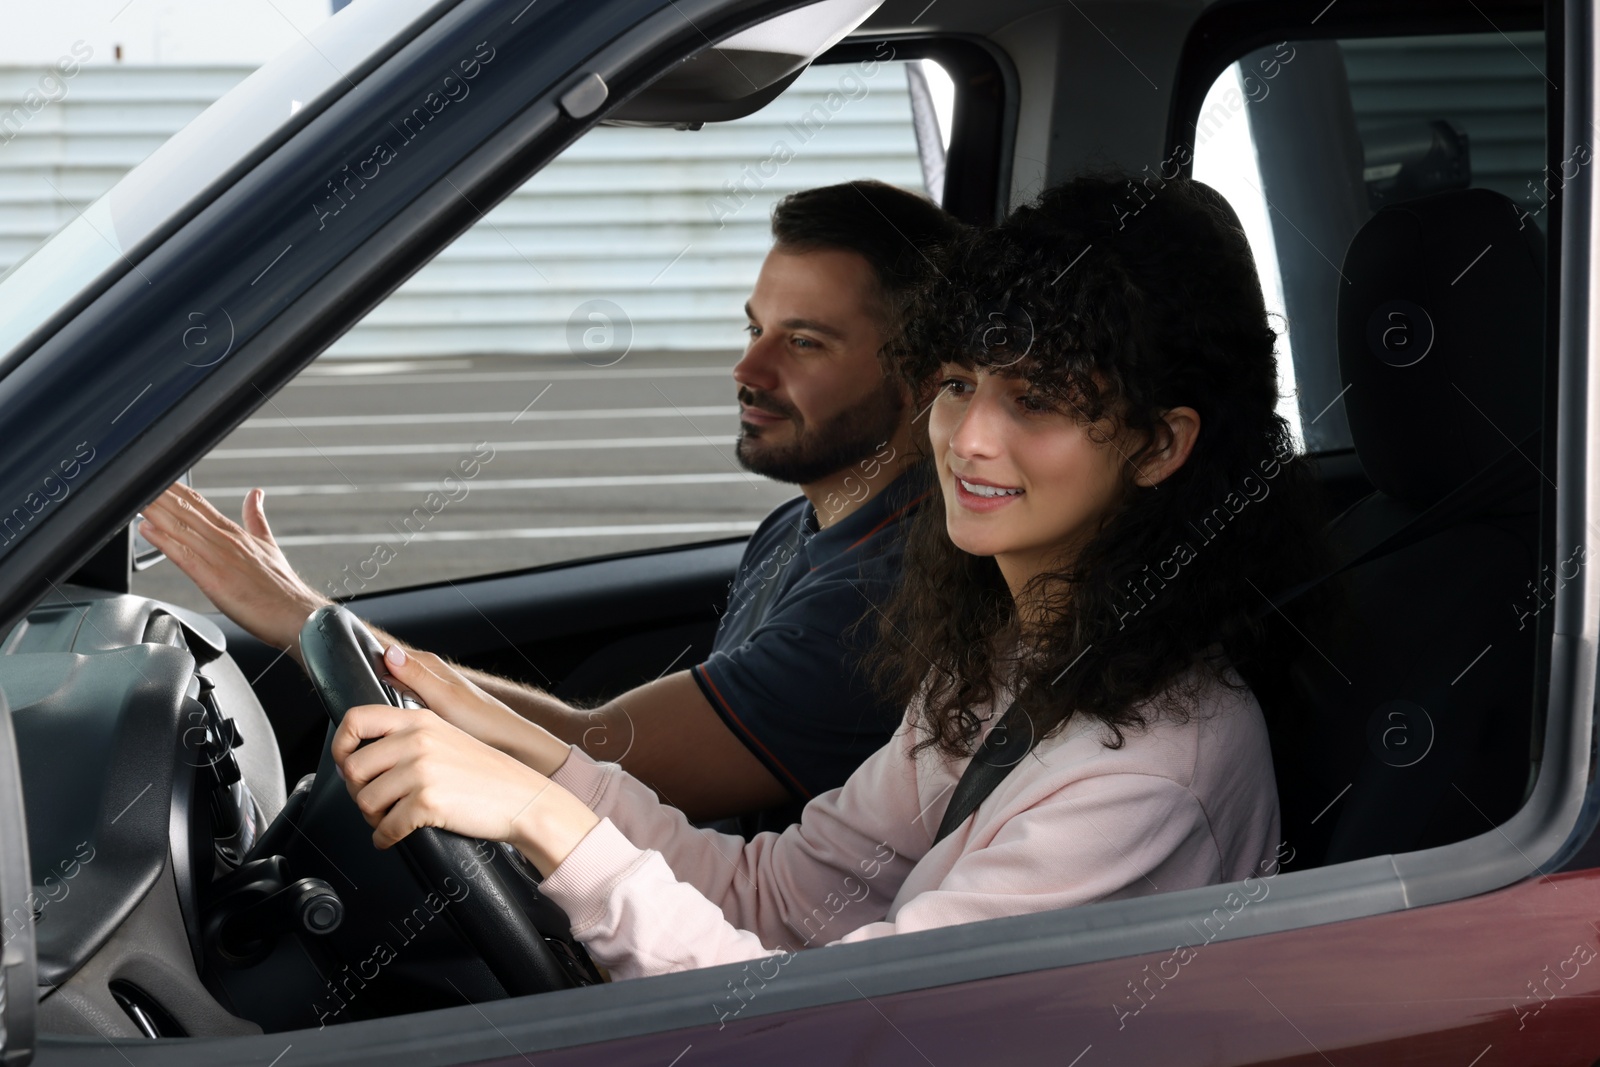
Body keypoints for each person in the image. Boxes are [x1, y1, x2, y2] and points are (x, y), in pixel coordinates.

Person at [321, 172, 1331, 981]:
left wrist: (546, 821)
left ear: (1159, 445)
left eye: (1038, 401)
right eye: (957, 385)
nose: (967, 439)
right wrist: (547, 767)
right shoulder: (1008, 655)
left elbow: (818, 1041)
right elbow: (785, 895)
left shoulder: (1147, 775)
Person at [140, 180, 961, 830]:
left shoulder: (882, 599)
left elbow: (595, 757)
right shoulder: (803, 527)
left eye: (804, 341)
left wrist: (306, 618)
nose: (747, 369)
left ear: (923, 376)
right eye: (753, 328)